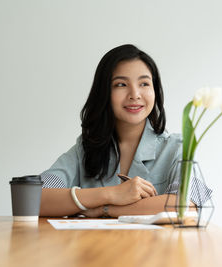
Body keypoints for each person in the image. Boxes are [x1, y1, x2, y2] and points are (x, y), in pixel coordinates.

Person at [40, 44, 211, 218]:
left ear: (155, 91)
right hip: (94, 245)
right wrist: (111, 194)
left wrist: (106, 210)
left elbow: (186, 206)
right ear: (104, 93)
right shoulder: (85, 148)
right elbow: (33, 199)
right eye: (121, 84)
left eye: (144, 83)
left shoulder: (178, 147)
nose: (135, 94)